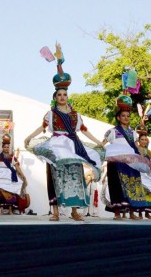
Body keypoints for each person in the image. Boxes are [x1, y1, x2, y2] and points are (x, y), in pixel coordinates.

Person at [24, 45, 103, 221]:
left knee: (75, 176)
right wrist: (30, 136)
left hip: (73, 145)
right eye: (59, 94)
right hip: (56, 145)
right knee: (54, 176)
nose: (62, 97)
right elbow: (42, 128)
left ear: (68, 97)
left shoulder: (76, 115)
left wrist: (98, 142)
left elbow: (85, 131)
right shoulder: (51, 114)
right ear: (55, 97)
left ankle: (75, 211)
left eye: (64, 94)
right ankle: (56, 212)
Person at [101, 100, 151, 221]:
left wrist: (143, 158)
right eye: (123, 116)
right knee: (117, 187)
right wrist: (102, 153)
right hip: (116, 163)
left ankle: (131, 212)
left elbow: (136, 147)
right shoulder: (112, 131)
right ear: (118, 117)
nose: (126, 118)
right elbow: (102, 144)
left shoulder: (133, 133)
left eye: (128, 116)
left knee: (132, 185)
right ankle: (117, 213)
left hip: (131, 163)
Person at [0, 134, 27, 215]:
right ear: (2, 148)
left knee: (10, 191)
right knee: (0, 192)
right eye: (5, 147)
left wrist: (23, 176)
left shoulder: (12, 157)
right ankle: (2, 210)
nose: (6, 148)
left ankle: (10, 209)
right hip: (1, 175)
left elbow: (17, 167)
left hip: (9, 175)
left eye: (7, 147)